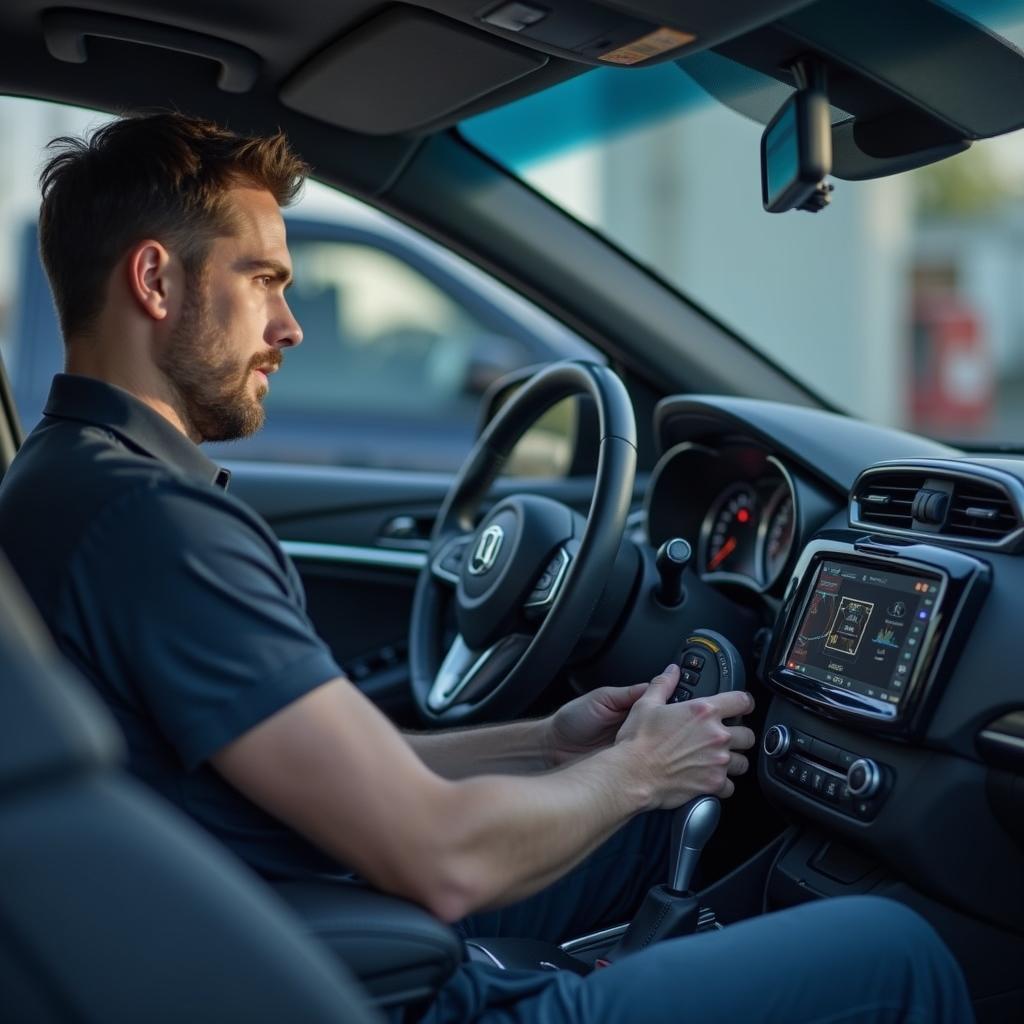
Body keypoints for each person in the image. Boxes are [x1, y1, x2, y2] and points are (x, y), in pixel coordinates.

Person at [0, 112, 973, 1024]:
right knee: (894, 943)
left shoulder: (61, 484)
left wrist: (548, 742)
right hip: (345, 980)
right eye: (263, 280)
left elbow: (332, 770)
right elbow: (443, 861)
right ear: (157, 281)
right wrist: (638, 769)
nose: (290, 327)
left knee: (647, 825)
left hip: (270, 922)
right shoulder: (155, 522)